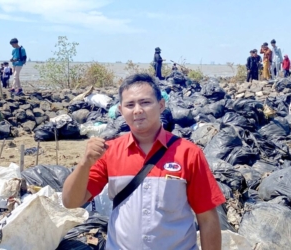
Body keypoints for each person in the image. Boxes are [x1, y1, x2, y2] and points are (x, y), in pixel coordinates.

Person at [62, 73, 225, 250]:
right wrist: (84, 164)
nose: (137, 110)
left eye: (145, 102)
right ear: (120, 110)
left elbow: (207, 218)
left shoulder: (188, 153)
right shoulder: (108, 152)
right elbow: (71, 202)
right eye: (130, 105)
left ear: (161, 105)